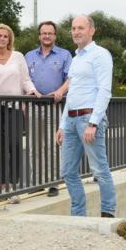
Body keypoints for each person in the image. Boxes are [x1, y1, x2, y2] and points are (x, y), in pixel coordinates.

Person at [56, 15, 116, 218]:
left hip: (88, 119)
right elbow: (71, 94)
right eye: (73, 28)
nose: (76, 32)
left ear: (92, 30)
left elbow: (104, 90)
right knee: (68, 171)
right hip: (72, 120)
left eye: (80, 28)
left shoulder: (100, 55)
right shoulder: (76, 59)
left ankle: (108, 213)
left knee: (99, 169)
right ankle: (78, 215)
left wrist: (93, 123)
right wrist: (62, 125)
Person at [0, 23, 40, 203]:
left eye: (5, 36)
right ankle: (3, 187)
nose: (2, 39)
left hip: (14, 106)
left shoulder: (17, 57)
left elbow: (25, 79)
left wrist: (32, 91)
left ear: (10, 39)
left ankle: (14, 186)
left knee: (15, 145)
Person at [24, 21, 72, 197]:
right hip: (33, 106)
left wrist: (60, 91)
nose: (46, 36)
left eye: (50, 33)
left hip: (54, 105)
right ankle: (37, 182)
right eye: (43, 33)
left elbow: (70, 78)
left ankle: (52, 182)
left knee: (53, 144)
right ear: (39, 36)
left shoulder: (65, 55)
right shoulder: (28, 56)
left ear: (55, 36)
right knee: (34, 146)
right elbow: (24, 80)